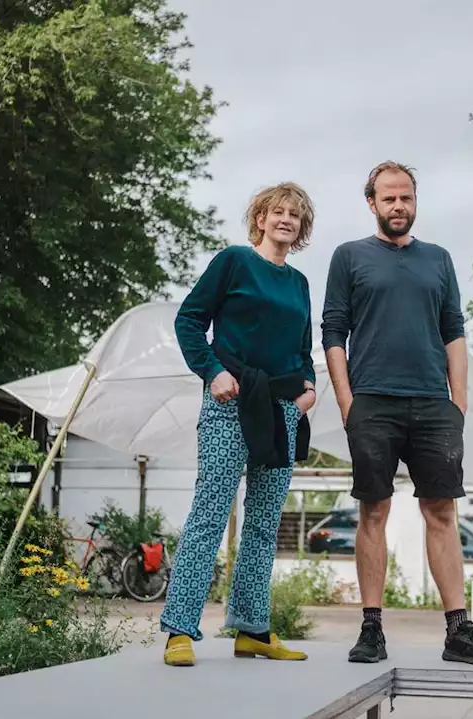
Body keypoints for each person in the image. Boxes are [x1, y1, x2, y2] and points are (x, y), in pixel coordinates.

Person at [322, 161, 473, 666]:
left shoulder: (438, 260)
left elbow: (454, 330)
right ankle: (372, 629)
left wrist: (457, 402)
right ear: (372, 203)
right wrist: (347, 401)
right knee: (373, 511)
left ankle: (458, 631)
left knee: (441, 511)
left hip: (433, 404)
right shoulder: (349, 257)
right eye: (388, 198)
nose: (398, 206)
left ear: (415, 201)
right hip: (371, 402)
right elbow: (333, 331)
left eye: (406, 198)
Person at [159, 182, 318, 667]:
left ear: (301, 227)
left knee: (266, 521)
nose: (286, 219)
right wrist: (212, 372)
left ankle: (253, 629)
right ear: (261, 218)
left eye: (295, 214)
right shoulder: (233, 261)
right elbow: (189, 321)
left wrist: (309, 388)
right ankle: (179, 630)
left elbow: (302, 349)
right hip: (231, 400)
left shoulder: (299, 283)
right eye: (278, 212)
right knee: (211, 510)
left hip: (282, 408)